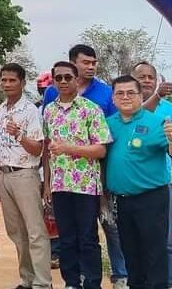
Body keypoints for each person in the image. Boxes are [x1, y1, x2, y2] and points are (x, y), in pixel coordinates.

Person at [42, 45, 126, 288]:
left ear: (76, 79)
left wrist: (69, 148)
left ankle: (92, 282)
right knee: (66, 238)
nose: (63, 82)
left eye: (68, 77)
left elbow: (101, 149)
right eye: (59, 78)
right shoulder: (49, 111)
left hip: (86, 185)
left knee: (88, 237)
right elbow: (47, 149)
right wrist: (47, 184)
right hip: (59, 185)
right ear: (53, 81)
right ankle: (71, 282)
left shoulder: (91, 110)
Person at [105, 75, 172, 289]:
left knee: (155, 252)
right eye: (120, 93)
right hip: (122, 200)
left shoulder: (156, 122)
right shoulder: (108, 124)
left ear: (141, 96)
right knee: (131, 252)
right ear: (113, 98)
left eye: (131, 93)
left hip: (152, 198)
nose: (125, 97)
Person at [0, 63, 52, 289]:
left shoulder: (30, 111)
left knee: (35, 231)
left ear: (22, 82)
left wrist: (19, 134)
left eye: (12, 80)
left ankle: (43, 283)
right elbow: (0, 147)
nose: (7, 84)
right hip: (5, 174)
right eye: (4, 80)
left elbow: (38, 149)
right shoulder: (0, 110)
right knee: (17, 232)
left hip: (25, 175)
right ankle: (27, 279)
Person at [133, 61, 172, 288]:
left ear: (156, 80)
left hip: (161, 184)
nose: (146, 80)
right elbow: (137, 117)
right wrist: (156, 96)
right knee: (137, 240)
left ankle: (166, 284)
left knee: (164, 240)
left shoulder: (169, 109)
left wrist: (166, 167)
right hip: (131, 186)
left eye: (150, 77)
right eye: (141, 77)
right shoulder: (126, 107)